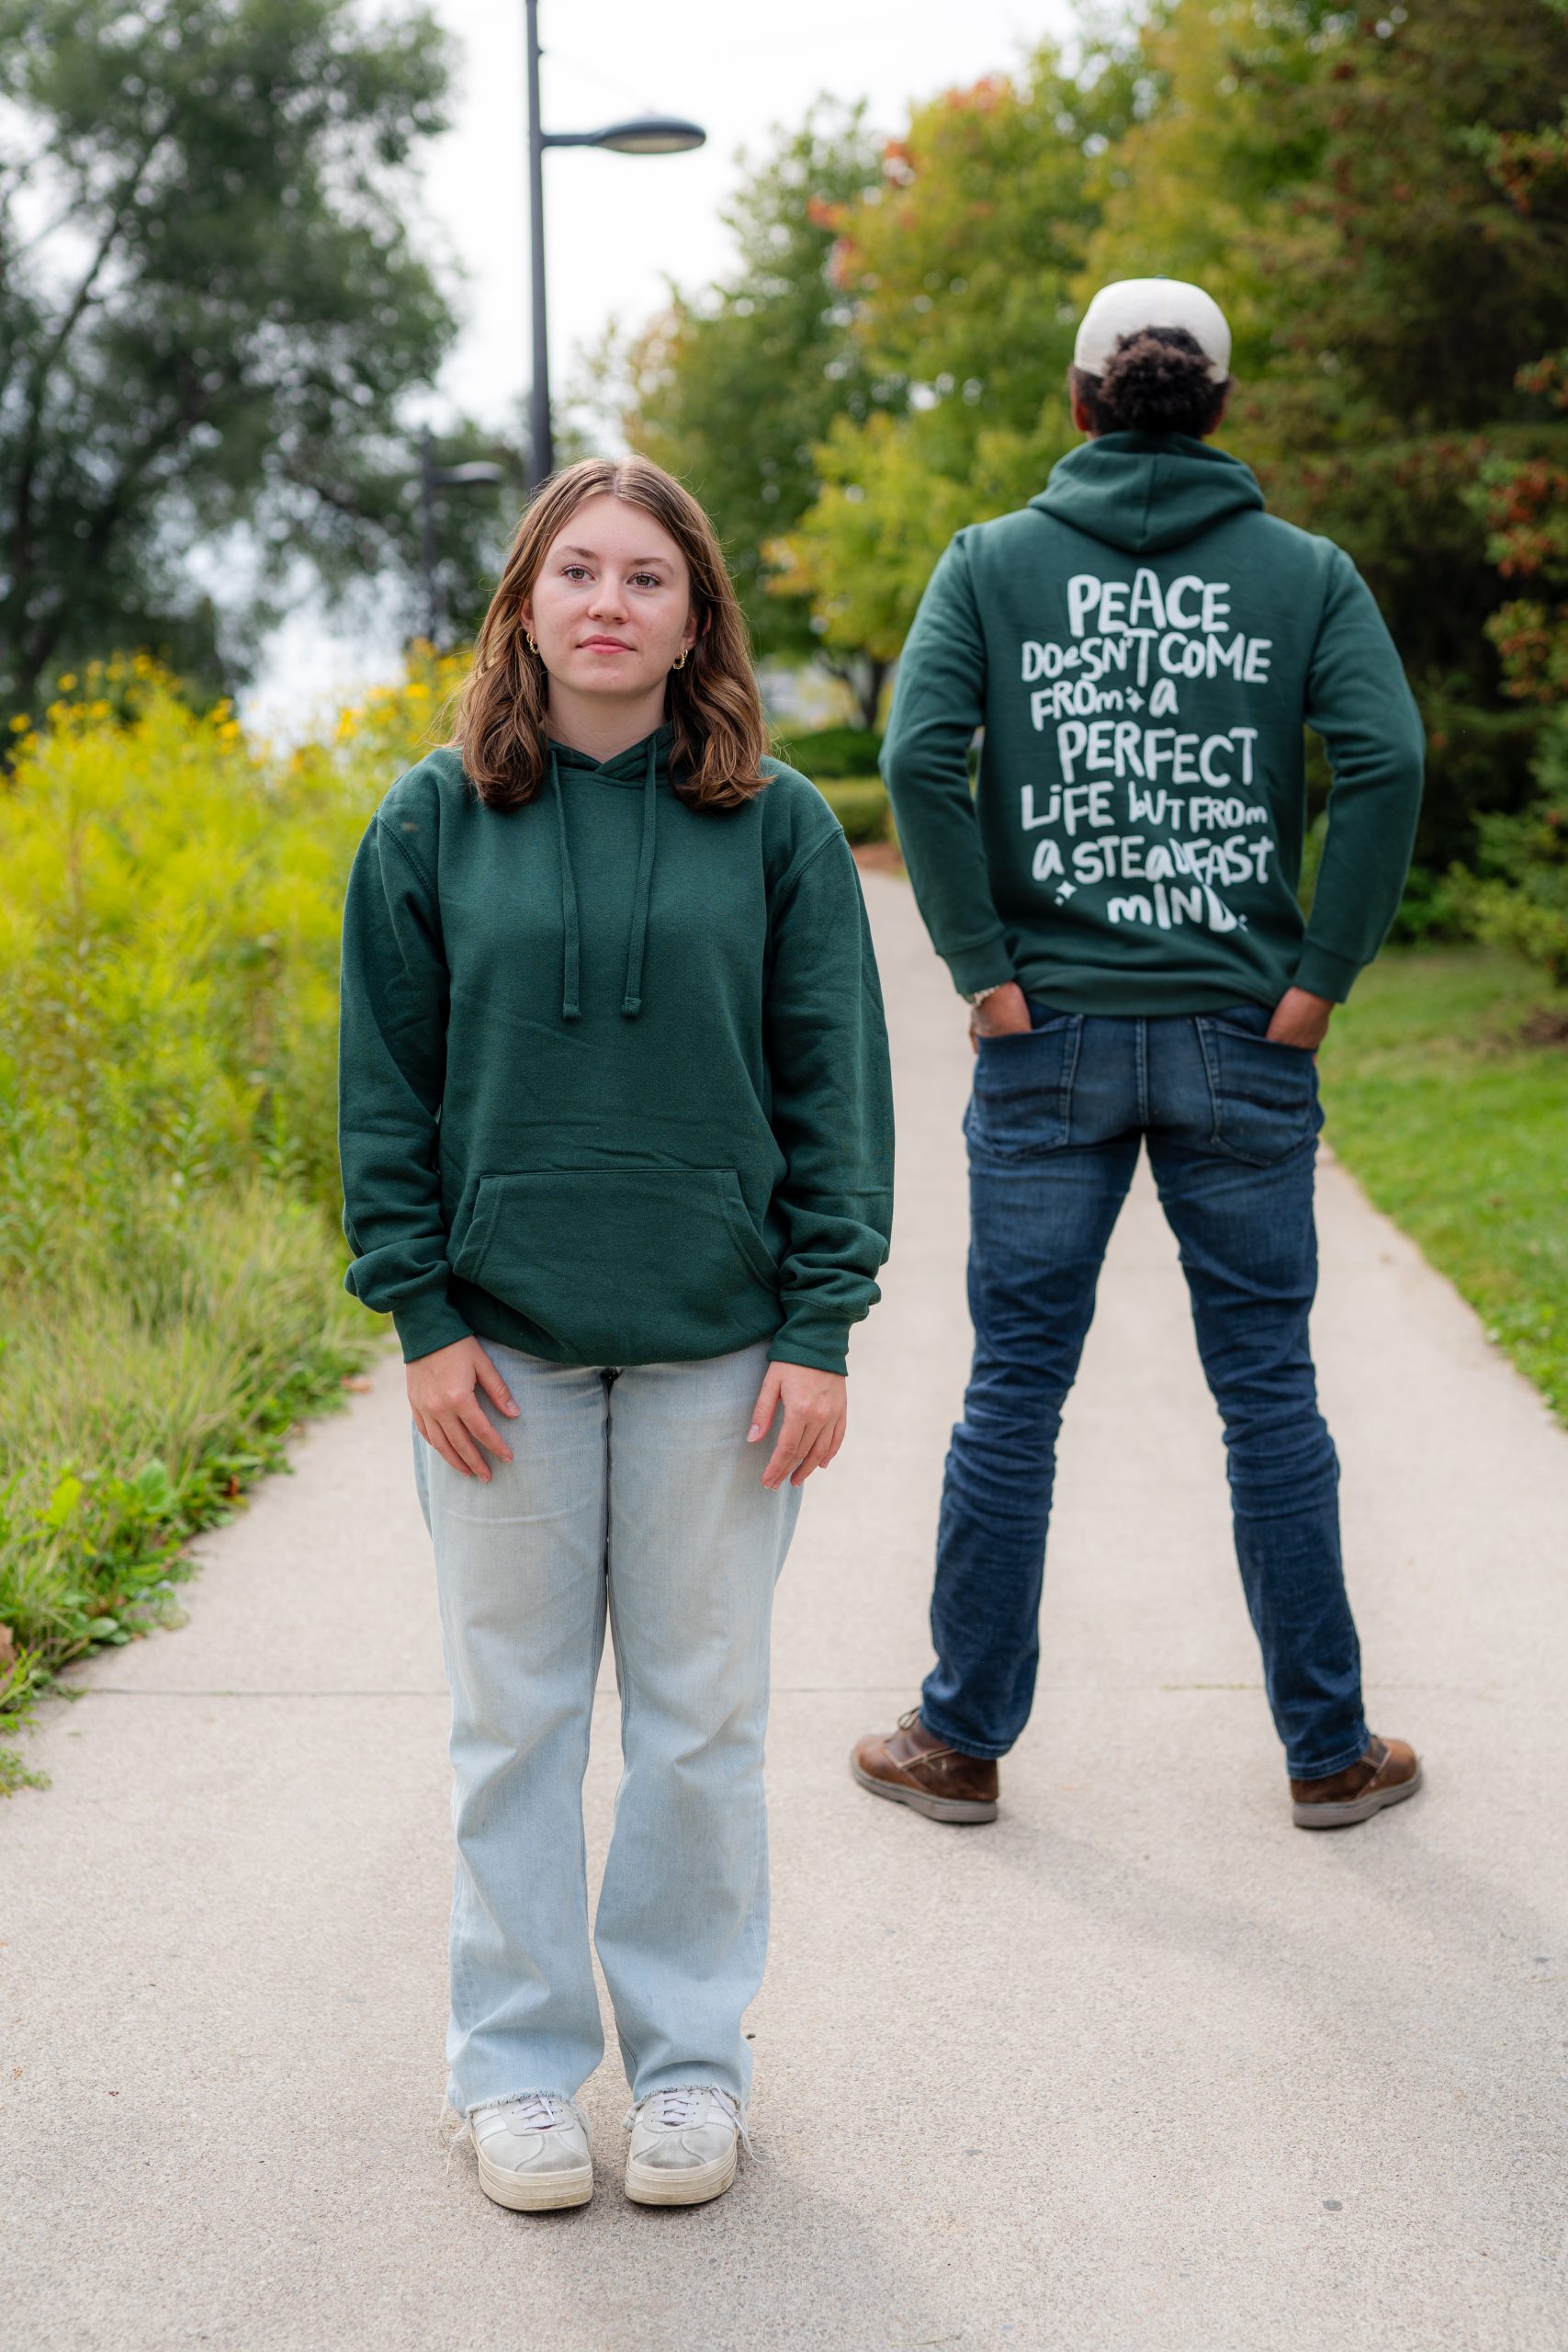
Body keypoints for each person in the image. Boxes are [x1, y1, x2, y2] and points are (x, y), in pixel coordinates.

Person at [338, 455, 893, 2211]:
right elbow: (384, 1093)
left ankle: (689, 2071)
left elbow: (833, 1087)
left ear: (693, 617)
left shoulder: (778, 827)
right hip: (497, 1350)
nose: (607, 602)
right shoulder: (432, 821)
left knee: (699, 1729)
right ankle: (513, 2072)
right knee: (511, 1729)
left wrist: (822, 1319)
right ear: (524, 604)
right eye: (575, 571)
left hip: (720, 1348)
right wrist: (421, 1313)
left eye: (646, 577)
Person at [854, 278, 1425, 1835]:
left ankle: (958, 1743)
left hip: (1047, 1041)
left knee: (1014, 1393)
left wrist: (985, 973)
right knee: (1269, 1395)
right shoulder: (1306, 574)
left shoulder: (990, 563)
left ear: (1080, 401)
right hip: (1247, 1037)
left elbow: (916, 754)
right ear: (1221, 408)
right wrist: (1319, 980)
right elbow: (1387, 759)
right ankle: (1329, 1754)